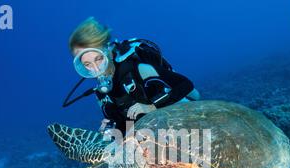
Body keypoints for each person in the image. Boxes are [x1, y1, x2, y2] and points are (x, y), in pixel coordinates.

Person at [65, 17, 200, 135]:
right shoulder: (102, 94)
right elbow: (122, 124)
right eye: (87, 64)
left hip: (184, 111)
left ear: (108, 49)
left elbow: (186, 85)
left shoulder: (136, 68)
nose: (96, 69)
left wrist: (151, 106)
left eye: (98, 58)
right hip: (156, 131)